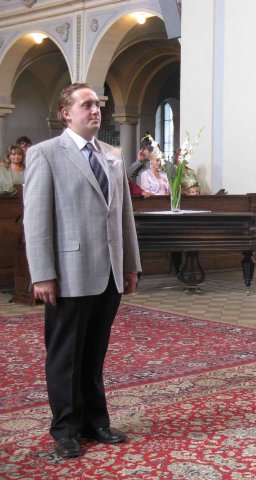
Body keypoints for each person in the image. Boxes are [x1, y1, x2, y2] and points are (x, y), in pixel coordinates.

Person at [23, 82, 141, 459]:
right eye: (87, 104)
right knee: (66, 357)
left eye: (98, 104)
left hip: (109, 272)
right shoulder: (45, 154)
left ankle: (95, 421)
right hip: (69, 272)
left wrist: (130, 265)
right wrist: (42, 274)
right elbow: (36, 220)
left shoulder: (112, 154)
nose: (95, 110)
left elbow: (123, 215)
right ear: (66, 113)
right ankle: (66, 429)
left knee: (94, 353)